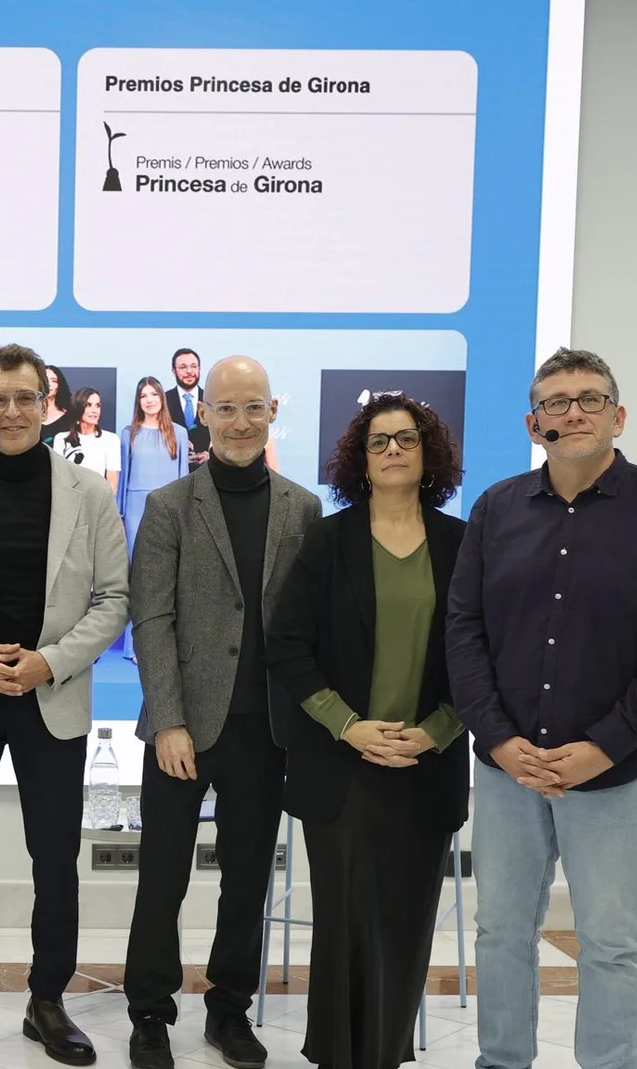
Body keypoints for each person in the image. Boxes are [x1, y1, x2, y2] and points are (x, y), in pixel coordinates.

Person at [446, 348, 637, 1069]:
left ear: (618, 417)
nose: (574, 412)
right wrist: (499, 740)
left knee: (612, 941)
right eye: (557, 402)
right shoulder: (496, 510)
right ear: (535, 423)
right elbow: (464, 634)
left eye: (590, 399)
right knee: (502, 932)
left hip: (616, 773)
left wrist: (604, 745)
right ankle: (502, 1061)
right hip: (508, 773)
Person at [0, 344, 129, 1067]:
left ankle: (48, 1000)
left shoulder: (91, 495)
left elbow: (114, 600)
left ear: (48, 403)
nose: (10, 411)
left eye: (23, 398)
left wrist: (49, 662)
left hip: (51, 694)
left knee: (54, 859)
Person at [124, 356, 322, 1069]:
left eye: (254, 408)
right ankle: (149, 1013)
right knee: (163, 877)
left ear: (272, 414)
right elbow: (151, 617)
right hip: (183, 729)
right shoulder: (171, 505)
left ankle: (229, 1009)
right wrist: (169, 719)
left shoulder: (303, 507)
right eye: (227, 408)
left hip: (265, 731)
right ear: (202, 412)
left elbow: (303, 625)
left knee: (247, 878)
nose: (241, 421)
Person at [266, 395, 470, 1069]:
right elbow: (289, 644)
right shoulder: (328, 541)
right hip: (342, 761)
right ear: (360, 457)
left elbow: (482, 655)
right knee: (347, 921)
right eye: (378, 441)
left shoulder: (460, 543)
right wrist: (349, 726)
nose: (392, 451)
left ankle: (383, 1053)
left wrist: (438, 730)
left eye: (405, 439)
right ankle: (336, 1055)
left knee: (406, 923)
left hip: (424, 763)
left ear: (427, 451)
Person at [119, 376, 190, 660]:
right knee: (140, 576)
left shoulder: (180, 433)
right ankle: (136, 644)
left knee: (169, 574)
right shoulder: (128, 433)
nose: (149, 400)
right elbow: (123, 477)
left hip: (171, 508)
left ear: (162, 398)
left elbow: (184, 478)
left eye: (153, 395)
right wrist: (121, 515)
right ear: (138, 402)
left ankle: (166, 639)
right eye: (143, 396)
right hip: (137, 508)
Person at [50, 387, 121, 495]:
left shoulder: (111, 439)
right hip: (69, 501)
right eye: (88, 405)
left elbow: (112, 485)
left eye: (98, 405)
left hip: (97, 502)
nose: (94, 410)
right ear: (78, 407)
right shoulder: (61, 439)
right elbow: (58, 478)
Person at [165, 349, 209, 469]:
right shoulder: (163, 401)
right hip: (172, 471)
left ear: (199, 369)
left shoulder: (212, 400)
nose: (189, 371)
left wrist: (210, 454)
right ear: (174, 371)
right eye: (183, 367)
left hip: (206, 472)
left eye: (194, 366)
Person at [40, 365, 75, 442]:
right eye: (45, 379)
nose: (49, 384)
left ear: (59, 385)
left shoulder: (70, 416)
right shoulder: (28, 413)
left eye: (54, 380)